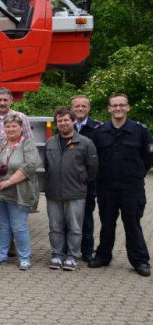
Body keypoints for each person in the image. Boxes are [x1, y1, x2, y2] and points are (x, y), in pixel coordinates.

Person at [88, 94, 153, 277]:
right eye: (114, 106)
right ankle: (103, 256)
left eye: (121, 105)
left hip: (131, 187)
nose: (118, 108)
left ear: (128, 107)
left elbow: (148, 158)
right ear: (109, 109)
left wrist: (137, 173)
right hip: (106, 186)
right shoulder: (99, 132)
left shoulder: (140, 131)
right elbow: (93, 159)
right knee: (107, 223)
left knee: (132, 223)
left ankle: (140, 261)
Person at [0, 114, 41, 270]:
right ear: (4, 128)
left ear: (21, 128)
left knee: (19, 226)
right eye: (8, 126)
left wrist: (8, 182)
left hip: (18, 192)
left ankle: (24, 258)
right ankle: (1, 256)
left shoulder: (27, 144)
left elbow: (30, 165)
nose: (11, 129)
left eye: (14, 126)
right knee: (3, 225)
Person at [44, 106, 98, 271]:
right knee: (55, 227)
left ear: (73, 121)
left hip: (75, 193)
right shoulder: (50, 142)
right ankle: (57, 255)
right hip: (53, 193)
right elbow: (47, 166)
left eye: (66, 120)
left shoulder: (85, 142)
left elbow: (93, 168)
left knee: (75, 228)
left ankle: (72, 256)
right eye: (59, 121)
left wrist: (80, 181)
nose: (63, 123)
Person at [71, 94, 101, 261]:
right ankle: (71, 249)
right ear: (72, 109)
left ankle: (87, 251)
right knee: (70, 217)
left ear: (88, 108)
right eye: (77, 106)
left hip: (88, 181)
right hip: (69, 181)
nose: (80, 109)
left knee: (86, 216)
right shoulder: (65, 126)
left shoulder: (97, 128)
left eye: (83, 106)